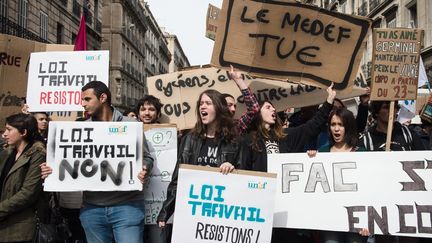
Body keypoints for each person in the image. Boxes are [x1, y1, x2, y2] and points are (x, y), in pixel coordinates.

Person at [41, 81, 153, 243]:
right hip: (92, 209)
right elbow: (67, 162)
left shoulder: (130, 125)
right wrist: (51, 170)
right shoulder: (80, 130)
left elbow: (147, 157)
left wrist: (145, 168)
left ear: (102, 98)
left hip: (127, 207)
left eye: (87, 99)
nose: (82, 104)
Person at [240, 84, 336, 243]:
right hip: (259, 208)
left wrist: (329, 101)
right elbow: (244, 172)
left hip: (284, 209)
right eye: (268, 107)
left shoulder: (285, 136)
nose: (273, 110)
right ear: (257, 112)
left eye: (273, 108)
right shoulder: (248, 140)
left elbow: (311, 127)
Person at [155, 89, 241, 234]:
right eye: (201, 103)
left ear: (219, 108)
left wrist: (233, 169)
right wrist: (165, 211)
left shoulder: (234, 141)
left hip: (221, 214)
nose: (203, 107)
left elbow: (245, 179)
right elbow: (178, 178)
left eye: (208, 103)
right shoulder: (190, 139)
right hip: (194, 211)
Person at [307, 108, 373, 243]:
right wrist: (311, 158)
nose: (336, 129)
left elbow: (369, 191)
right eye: (333, 124)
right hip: (330, 221)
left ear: (348, 127)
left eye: (340, 125)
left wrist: (369, 221)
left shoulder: (362, 154)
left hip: (357, 222)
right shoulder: (322, 153)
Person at [0, 113, 47, 242]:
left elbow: (28, 193)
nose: (4, 134)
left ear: (23, 132)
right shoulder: (8, 153)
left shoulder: (37, 154)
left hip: (21, 227)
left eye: (9, 130)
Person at [361, 101, 425, 151]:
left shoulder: (409, 134)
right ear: (376, 112)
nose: (392, 110)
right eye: (386, 107)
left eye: (394, 106)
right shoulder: (366, 140)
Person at [222, 65, 260, 134]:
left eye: (235, 106)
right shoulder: (202, 128)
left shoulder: (236, 127)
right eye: (229, 105)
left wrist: (239, 80)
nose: (233, 109)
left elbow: (254, 109)